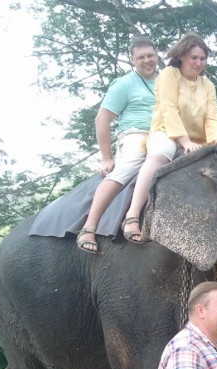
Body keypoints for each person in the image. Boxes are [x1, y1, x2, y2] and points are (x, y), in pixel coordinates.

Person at [120, 32, 217, 243]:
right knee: (161, 154)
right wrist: (184, 141)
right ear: (182, 57)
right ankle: (132, 215)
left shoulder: (208, 85)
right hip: (166, 132)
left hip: (198, 141)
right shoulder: (169, 74)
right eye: (194, 58)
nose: (198, 63)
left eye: (202, 59)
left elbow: (211, 117)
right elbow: (169, 109)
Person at [77, 36, 159, 254]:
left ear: (157, 56)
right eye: (141, 57)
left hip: (164, 135)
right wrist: (107, 158)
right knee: (129, 166)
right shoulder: (124, 84)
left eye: (150, 55)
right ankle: (89, 227)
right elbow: (102, 120)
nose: (147, 60)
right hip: (136, 134)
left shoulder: (166, 82)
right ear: (133, 60)